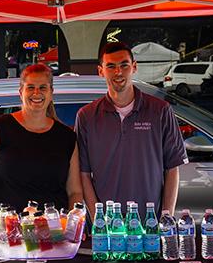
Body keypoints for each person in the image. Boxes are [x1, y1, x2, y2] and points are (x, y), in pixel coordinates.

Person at [76, 42, 187, 215]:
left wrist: (166, 217)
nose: (118, 72)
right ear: (100, 71)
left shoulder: (160, 111)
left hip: (151, 225)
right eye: (111, 66)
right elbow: (83, 174)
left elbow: (172, 168)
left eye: (124, 65)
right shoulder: (86, 116)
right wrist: (98, 220)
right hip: (109, 227)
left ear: (134, 67)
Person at [0, 63, 82, 213]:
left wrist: (72, 227)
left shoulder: (67, 137)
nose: (37, 93)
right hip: (8, 231)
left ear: (51, 92)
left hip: (55, 232)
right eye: (30, 87)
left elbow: (75, 192)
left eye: (42, 88)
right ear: (21, 92)